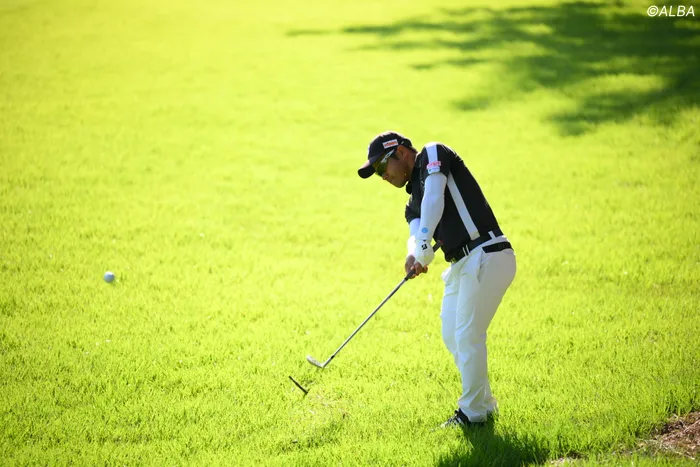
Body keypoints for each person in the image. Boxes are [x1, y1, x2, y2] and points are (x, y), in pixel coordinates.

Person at [357, 131, 517, 427]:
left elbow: (435, 198)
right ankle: (484, 405)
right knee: (452, 334)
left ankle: (472, 414)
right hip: (462, 264)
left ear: (401, 153)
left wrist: (423, 245)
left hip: (488, 253)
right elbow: (416, 230)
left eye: (381, 167)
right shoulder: (411, 203)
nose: (383, 177)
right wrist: (413, 253)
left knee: (467, 335)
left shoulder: (433, 153)